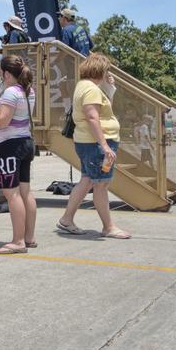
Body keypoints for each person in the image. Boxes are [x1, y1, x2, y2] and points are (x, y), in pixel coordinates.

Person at [56, 53, 130, 239]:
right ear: (100, 70)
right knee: (101, 184)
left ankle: (67, 219)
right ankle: (108, 227)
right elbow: (92, 117)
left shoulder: (84, 86)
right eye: (106, 70)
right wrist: (104, 145)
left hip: (87, 142)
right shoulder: (91, 90)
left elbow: (102, 112)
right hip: (95, 143)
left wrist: (109, 88)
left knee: (88, 180)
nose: (107, 74)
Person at [0, 55, 38, 252]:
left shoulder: (10, 93)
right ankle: (29, 237)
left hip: (9, 146)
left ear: (6, 73)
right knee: (25, 191)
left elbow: (2, 121)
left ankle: (18, 241)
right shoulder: (28, 90)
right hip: (24, 142)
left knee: (11, 193)